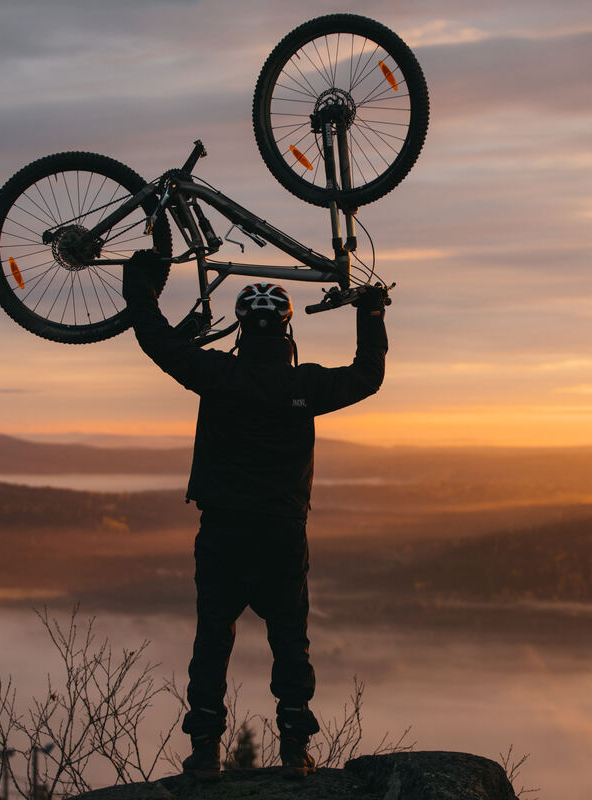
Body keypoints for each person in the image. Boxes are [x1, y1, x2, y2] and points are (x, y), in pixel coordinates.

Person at [121, 249, 388, 780]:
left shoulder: (216, 373)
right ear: (287, 332)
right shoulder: (305, 386)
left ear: (241, 330)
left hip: (222, 531)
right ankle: (294, 749)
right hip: (283, 534)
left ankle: (203, 751)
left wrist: (140, 288)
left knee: (212, 638)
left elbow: (155, 340)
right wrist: (370, 312)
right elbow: (367, 375)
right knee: (290, 639)